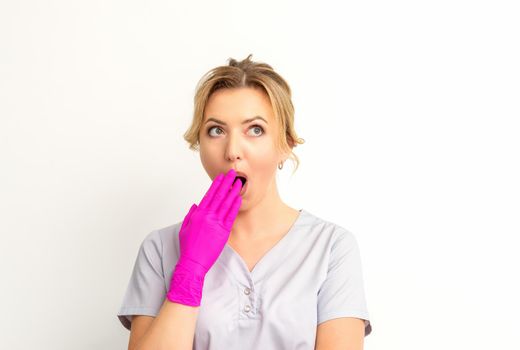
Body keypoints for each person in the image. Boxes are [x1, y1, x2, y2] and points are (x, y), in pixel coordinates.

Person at [117, 54, 372, 349]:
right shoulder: (160, 249)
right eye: (216, 130)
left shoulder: (331, 247)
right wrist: (190, 270)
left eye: (255, 129)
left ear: (285, 144)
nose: (232, 151)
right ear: (199, 144)